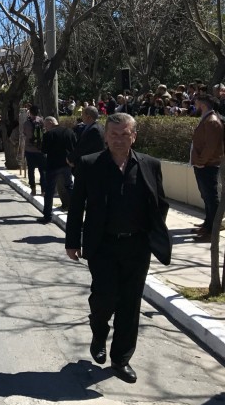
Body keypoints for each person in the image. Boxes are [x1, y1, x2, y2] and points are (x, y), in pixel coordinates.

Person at [65, 113, 171, 384]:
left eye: (125, 134)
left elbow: (160, 204)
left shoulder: (149, 164)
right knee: (104, 298)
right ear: (105, 137)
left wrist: (154, 235)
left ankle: (121, 359)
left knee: (130, 303)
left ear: (134, 136)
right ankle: (99, 330)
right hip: (102, 245)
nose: (119, 139)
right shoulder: (89, 165)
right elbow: (77, 206)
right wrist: (72, 241)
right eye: (114, 134)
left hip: (137, 246)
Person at [190, 94, 224, 243]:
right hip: (203, 164)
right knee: (206, 196)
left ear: (203, 104)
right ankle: (208, 224)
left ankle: (213, 231)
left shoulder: (212, 121)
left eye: (196, 102)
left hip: (208, 165)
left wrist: (201, 161)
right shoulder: (207, 118)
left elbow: (211, 146)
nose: (195, 104)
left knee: (211, 197)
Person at [38, 116, 76, 223]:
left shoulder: (48, 134)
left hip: (53, 165)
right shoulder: (69, 132)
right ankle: (77, 211)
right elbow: (74, 146)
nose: (45, 127)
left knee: (49, 191)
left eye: (46, 125)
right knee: (70, 187)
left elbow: (44, 150)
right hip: (67, 164)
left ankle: (47, 216)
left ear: (50, 123)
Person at [68, 106, 105, 175]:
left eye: (82, 114)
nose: (81, 116)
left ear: (88, 116)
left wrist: (70, 158)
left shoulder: (94, 130)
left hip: (89, 166)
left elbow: (83, 147)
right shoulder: (98, 126)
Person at [22, 105, 45, 196]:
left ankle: (33, 189)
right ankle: (43, 190)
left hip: (29, 150)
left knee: (31, 170)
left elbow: (24, 134)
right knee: (42, 170)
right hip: (40, 150)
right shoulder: (42, 121)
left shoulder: (26, 123)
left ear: (30, 112)